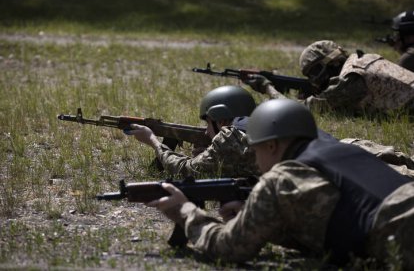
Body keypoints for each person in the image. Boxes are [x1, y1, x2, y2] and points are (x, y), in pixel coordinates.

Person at [146, 99, 414, 268]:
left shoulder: (279, 178)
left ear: (272, 145)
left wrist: (185, 212)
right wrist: (267, 221)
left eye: (256, 149)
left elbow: (229, 248)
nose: (255, 158)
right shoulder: (348, 152)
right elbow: (338, 218)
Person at [243, 76, 414, 179]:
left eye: (315, 72)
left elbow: (301, 109)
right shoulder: (358, 63)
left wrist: (268, 87)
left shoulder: (349, 81)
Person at [125, 85, 260, 179]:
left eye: (208, 123)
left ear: (222, 121)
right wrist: (208, 155)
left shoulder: (229, 138)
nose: (207, 132)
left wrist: (152, 141)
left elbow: (185, 170)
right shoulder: (262, 129)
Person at [297, 40, 414, 114]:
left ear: (333, 61)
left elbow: (313, 107)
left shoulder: (351, 77)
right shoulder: (364, 58)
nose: (314, 80)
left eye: (315, 72)